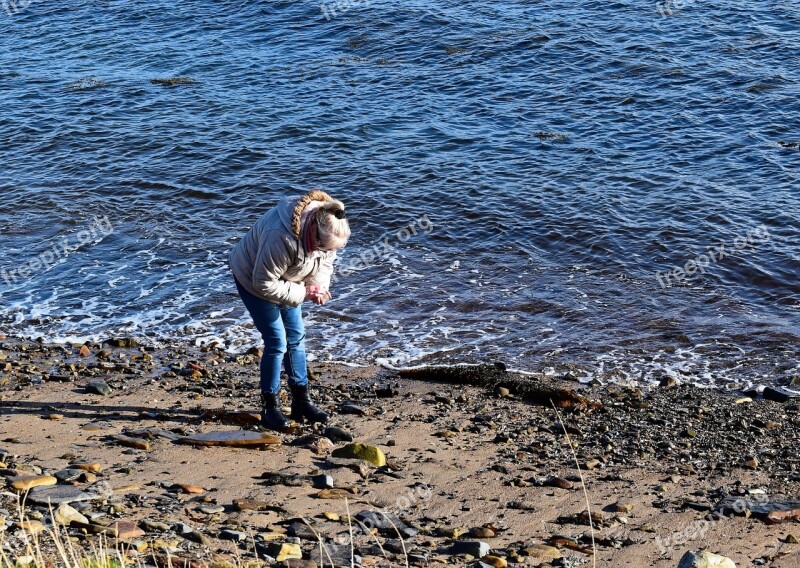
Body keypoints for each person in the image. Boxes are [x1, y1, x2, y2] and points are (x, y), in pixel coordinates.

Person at [229, 189, 350, 431]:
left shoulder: (331, 228)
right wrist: (304, 293)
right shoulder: (280, 236)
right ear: (314, 231)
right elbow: (262, 282)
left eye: (332, 249)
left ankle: (301, 401)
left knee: (296, 337)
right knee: (276, 341)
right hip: (252, 279)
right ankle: (270, 407)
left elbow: (324, 263)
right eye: (324, 247)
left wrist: (318, 286)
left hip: (289, 279)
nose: (327, 252)